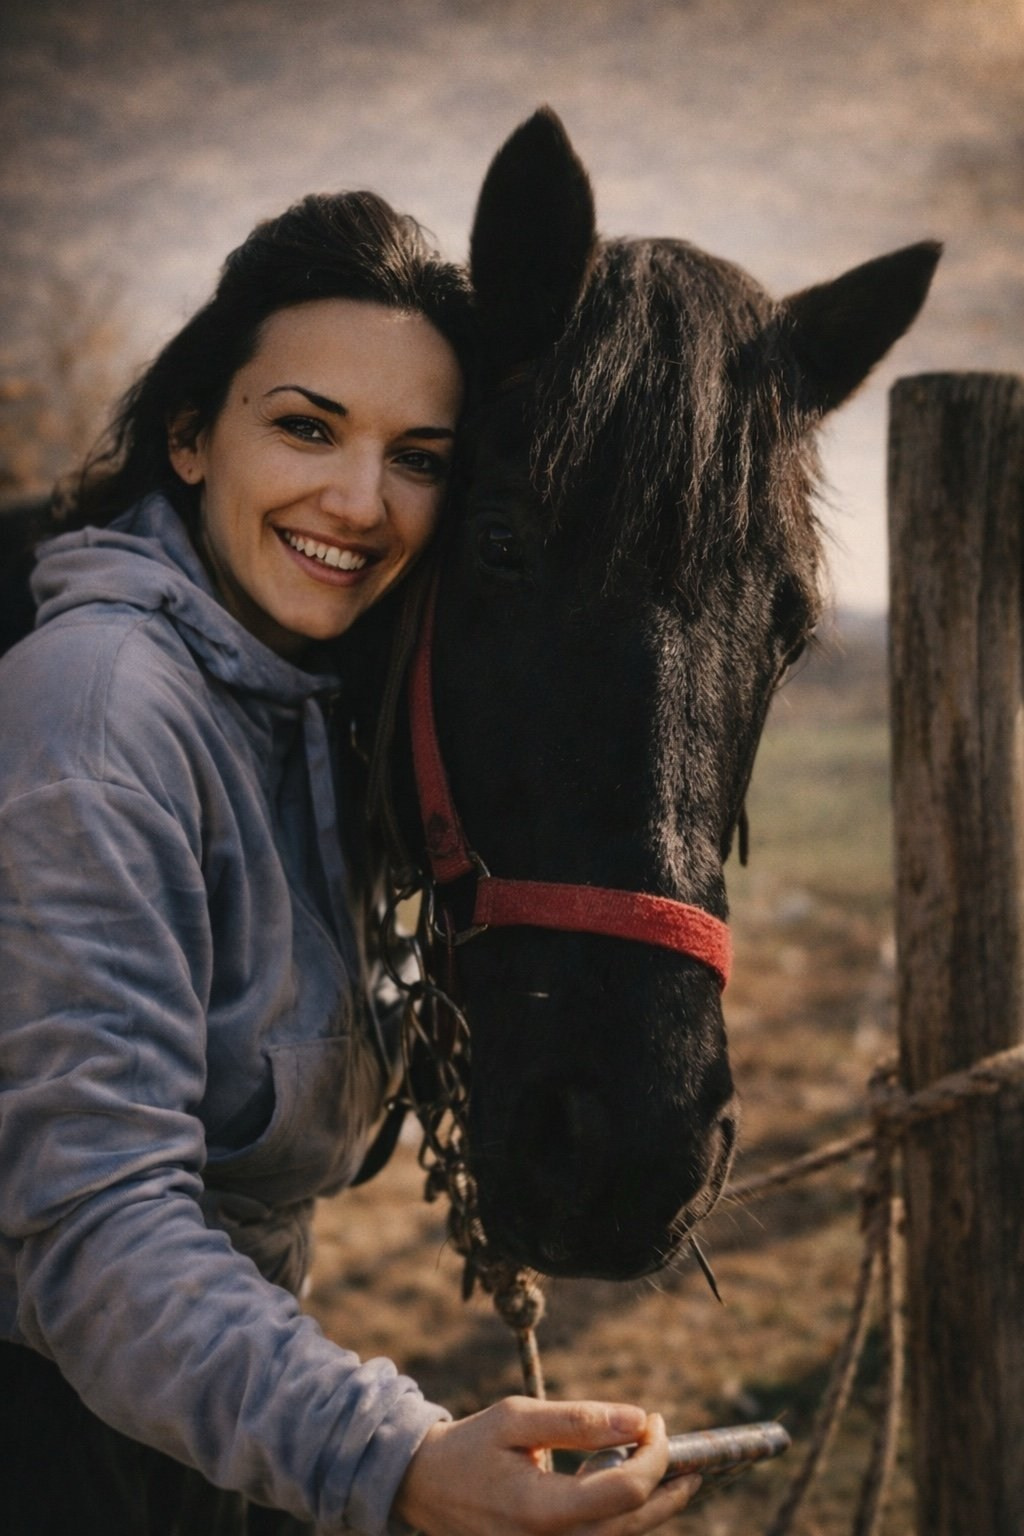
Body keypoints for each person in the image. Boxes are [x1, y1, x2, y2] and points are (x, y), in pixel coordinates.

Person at [0, 189, 701, 1535]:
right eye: (307, 427)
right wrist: (389, 1460)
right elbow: (90, 1229)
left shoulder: (309, 699)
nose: (361, 501)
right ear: (192, 437)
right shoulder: (97, 712)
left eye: (420, 455)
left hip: (191, 1418)